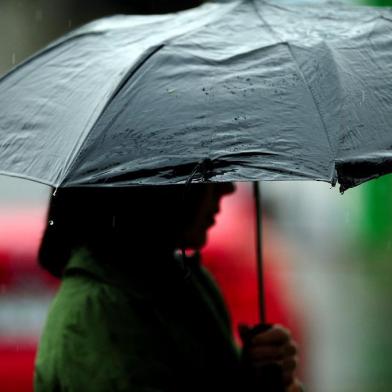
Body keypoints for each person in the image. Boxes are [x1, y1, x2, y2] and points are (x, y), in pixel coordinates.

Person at [34, 183, 301, 391]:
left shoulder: (188, 282)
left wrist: (257, 374)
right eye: (204, 170)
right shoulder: (95, 316)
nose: (227, 188)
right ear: (156, 187)